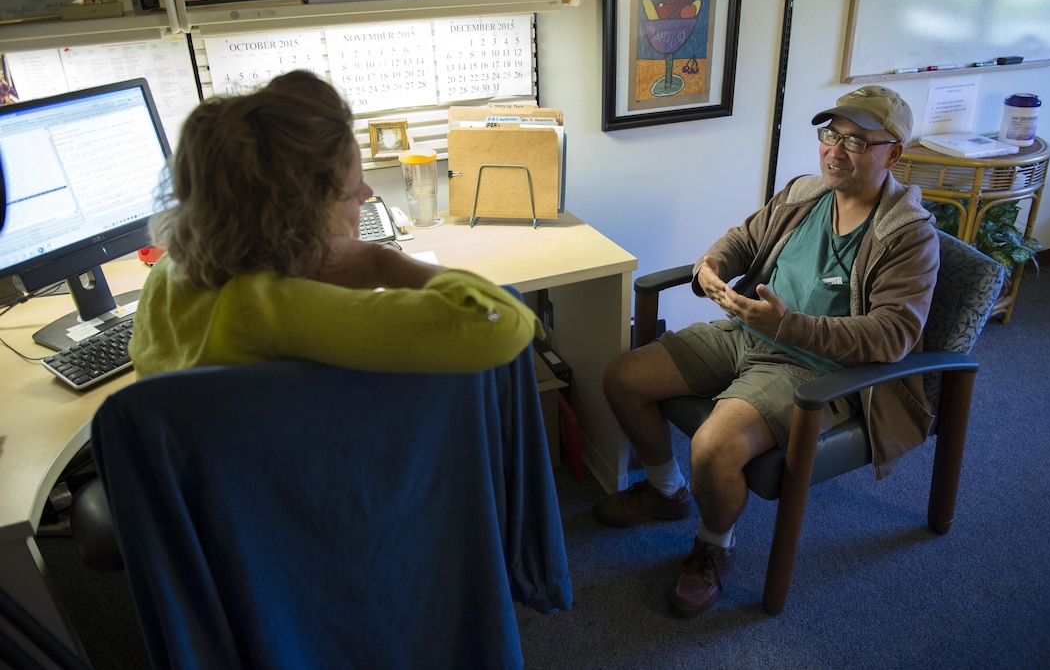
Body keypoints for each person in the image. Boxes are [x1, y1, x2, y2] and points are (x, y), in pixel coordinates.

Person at [592, 85, 940, 617]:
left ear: (892, 153)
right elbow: (744, 240)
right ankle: (666, 492)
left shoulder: (907, 236)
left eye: (855, 141)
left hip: (818, 370)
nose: (835, 150)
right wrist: (711, 266)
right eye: (830, 135)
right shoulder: (804, 194)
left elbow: (891, 337)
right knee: (624, 375)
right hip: (749, 334)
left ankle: (713, 545)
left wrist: (790, 326)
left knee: (713, 447)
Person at [129, 70, 543, 378]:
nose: (366, 195)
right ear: (298, 215)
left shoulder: (166, 275)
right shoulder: (272, 310)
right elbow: (504, 323)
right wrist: (379, 264)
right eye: (350, 189)